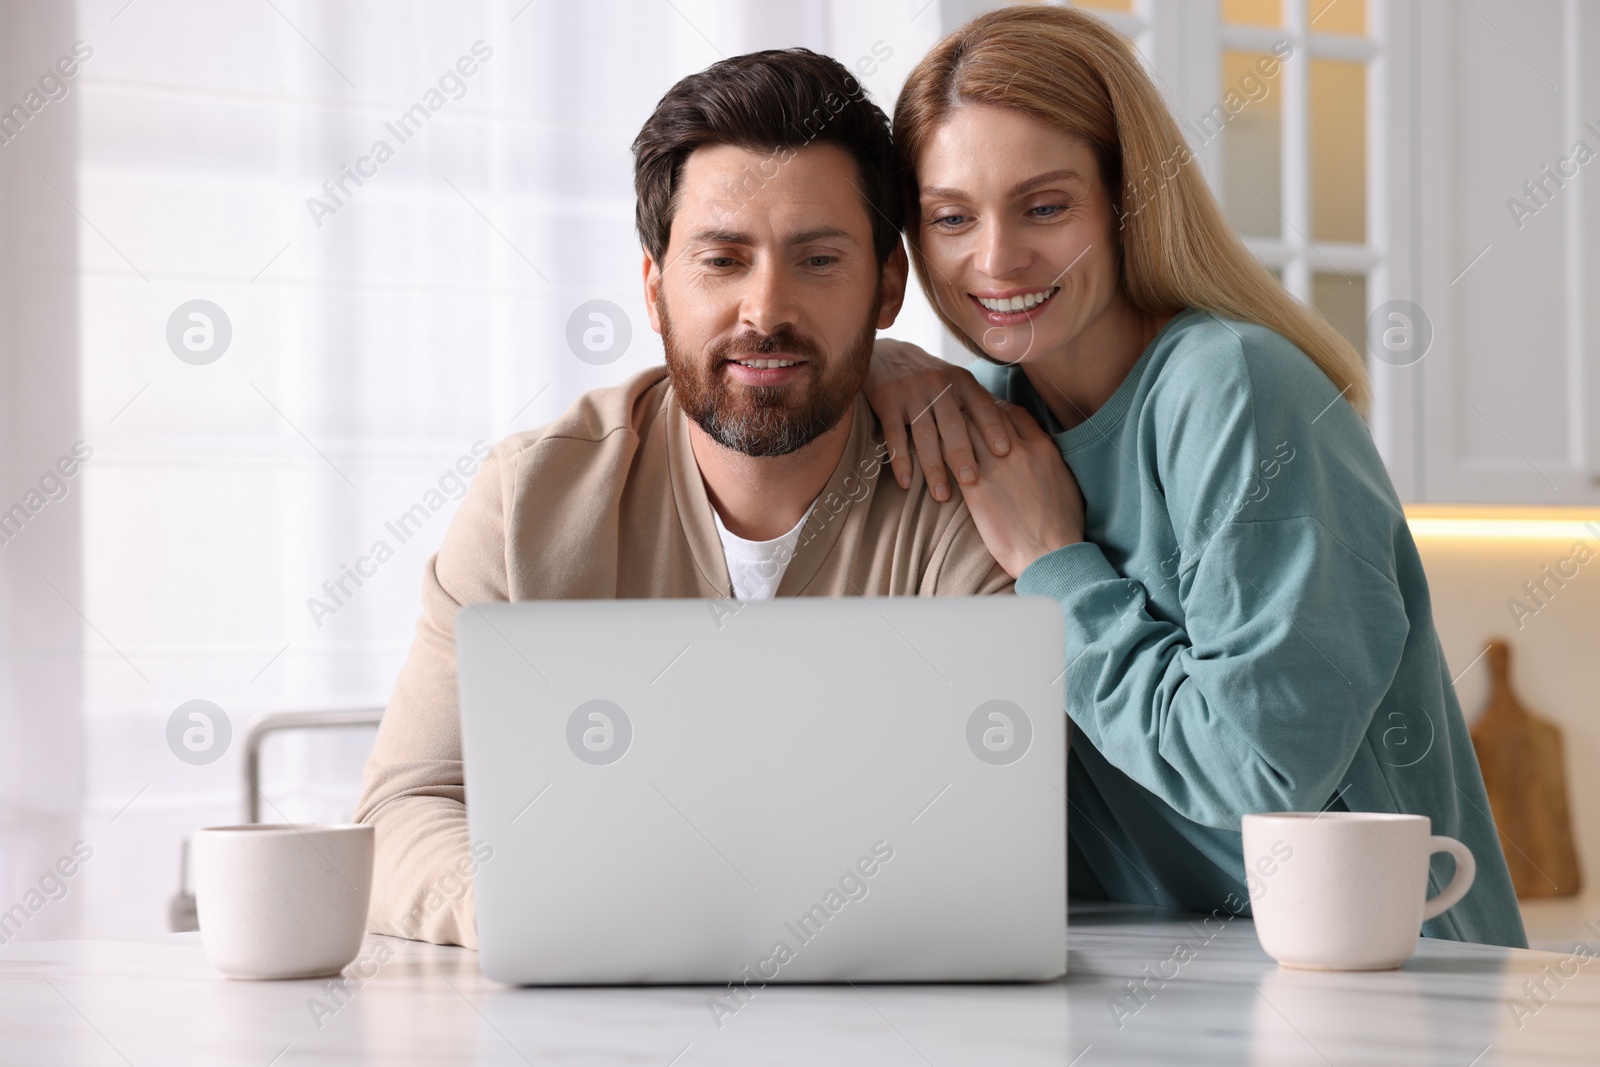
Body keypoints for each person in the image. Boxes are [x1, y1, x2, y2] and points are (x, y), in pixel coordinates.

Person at [862, 5, 1525, 947]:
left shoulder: (1236, 389)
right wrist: (877, 360)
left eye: (1046, 206)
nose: (997, 258)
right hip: (1164, 969)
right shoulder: (984, 410)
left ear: (1129, 199)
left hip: (1385, 980)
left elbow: (1258, 765)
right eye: (951, 218)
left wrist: (1059, 569)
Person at [353, 49, 1012, 948]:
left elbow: (984, 832)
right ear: (657, 289)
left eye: (818, 259)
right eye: (722, 259)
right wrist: (535, 905)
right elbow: (406, 803)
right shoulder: (528, 502)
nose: (764, 309)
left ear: (887, 285)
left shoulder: (962, 494)